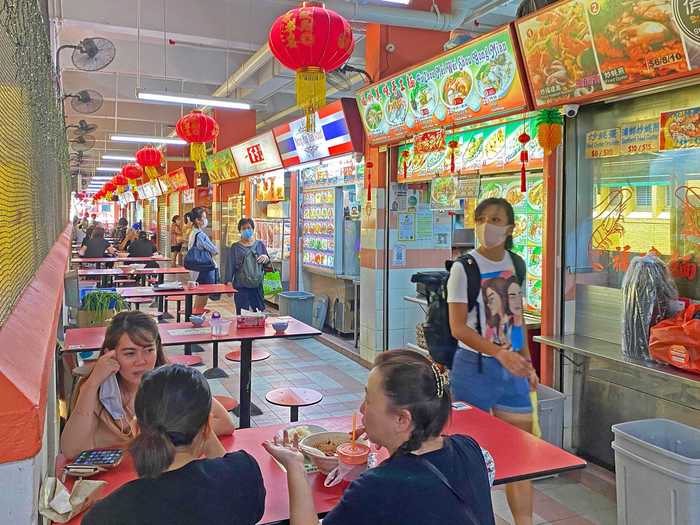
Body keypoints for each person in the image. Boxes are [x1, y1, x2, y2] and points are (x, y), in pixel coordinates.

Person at [264, 350, 496, 525]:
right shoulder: (470, 449)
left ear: (402, 420)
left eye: (369, 400)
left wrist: (295, 464)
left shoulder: (376, 489)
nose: (362, 409)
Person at [447, 197, 537, 525]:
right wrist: (499, 353)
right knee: (469, 456)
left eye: (496, 219)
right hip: (474, 369)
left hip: (512, 369)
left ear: (510, 227)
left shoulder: (517, 263)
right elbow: (458, 328)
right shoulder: (464, 268)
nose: (488, 225)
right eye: (482, 218)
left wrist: (525, 361)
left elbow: (516, 318)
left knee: (520, 456)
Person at [82, 364, 265, 525]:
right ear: (207, 428)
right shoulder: (245, 475)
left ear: (136, 429)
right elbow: (225, 471)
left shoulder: (107, 515)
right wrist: (203, 427)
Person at [60, 311, 235, 458]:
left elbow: (226, 423)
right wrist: (93, 382)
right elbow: (71, 450)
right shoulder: (96, 391)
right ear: (110, 355)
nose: (141, 361)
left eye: (148, 350)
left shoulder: (170, 381)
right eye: (130, 353)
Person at [224, 218, 270, 314]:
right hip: (241, 287)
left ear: (253, 229)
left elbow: (267, 264)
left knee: (259, 313)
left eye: (249, 228)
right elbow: (230, 266)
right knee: (242, 314)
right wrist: (228, 283)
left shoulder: (260, 245)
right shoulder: (235, 247)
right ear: (240, 231)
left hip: (257, 286)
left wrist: (266, 258)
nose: (246, 230)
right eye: (243, 228)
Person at [186, 207, 218, 311]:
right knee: (202, 296)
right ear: (197, 220)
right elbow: (214, 250)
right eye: (204, 217)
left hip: (196, 269)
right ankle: (195, 319)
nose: (205, 220)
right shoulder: (200, 235)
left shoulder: (193, 232)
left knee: (200, 295)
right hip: (203, 270)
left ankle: (195, 316)